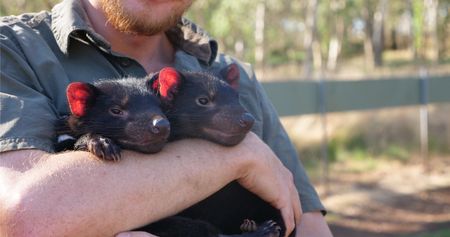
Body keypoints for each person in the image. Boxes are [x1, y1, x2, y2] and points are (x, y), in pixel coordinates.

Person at [0, 0, 332, 236]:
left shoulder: (234, 76)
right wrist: (239, 155)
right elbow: (27, 219)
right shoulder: (14, 50)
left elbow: (308, 227)